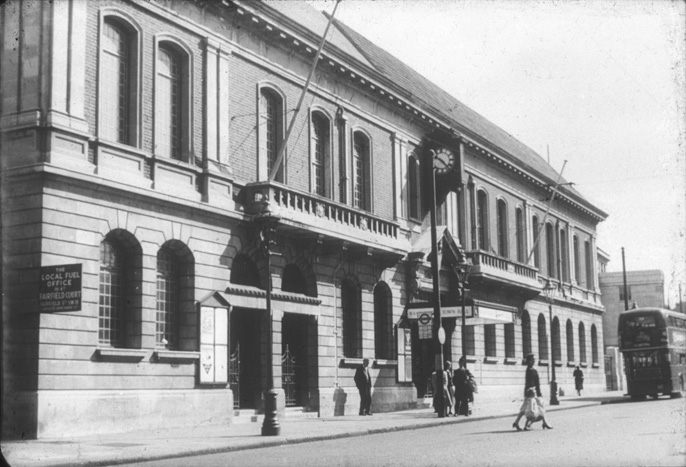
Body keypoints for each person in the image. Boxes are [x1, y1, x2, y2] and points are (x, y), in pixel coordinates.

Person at [512, 353, 552, 430]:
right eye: (533, 359)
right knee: (539, 407)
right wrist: (534, 392)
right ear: (529, 361)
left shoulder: (531, 370)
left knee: (525, 408)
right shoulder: (530, 370)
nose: (534, 361)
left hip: (531, 392)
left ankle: (517, 422)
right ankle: (544, 423)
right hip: (532, 393)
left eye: (534, 359)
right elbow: (531, 383)